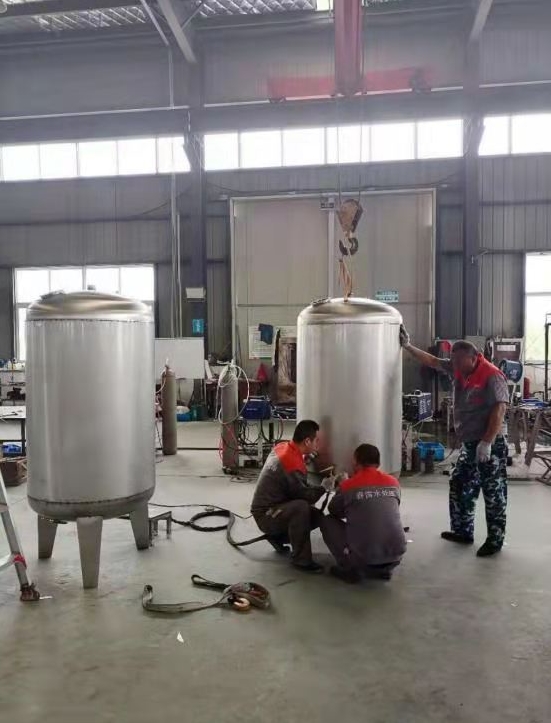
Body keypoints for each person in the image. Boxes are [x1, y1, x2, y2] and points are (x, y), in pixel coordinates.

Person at [400, 326, 509, 557]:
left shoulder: (492, 375)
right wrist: (408, 346)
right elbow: (432, 361)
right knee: (460, 483)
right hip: (469, 443)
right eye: (453, 360)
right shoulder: (458, 366)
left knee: (493, 491)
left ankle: (495, 540)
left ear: (474, 357)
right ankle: (462, 531)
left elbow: (499, 410)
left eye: (459, 361)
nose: (454, 365)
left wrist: (487, 442)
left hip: (490, 443)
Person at [320, 444, 407, 583]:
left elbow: (334, 510)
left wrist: (342, 486)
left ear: (355, 461)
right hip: (395, 556)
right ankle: (383, 569)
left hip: (363, 560)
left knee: (327, 521)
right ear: (378, 463)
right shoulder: (394, 482)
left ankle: (349, 567)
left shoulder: (348, 485)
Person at [250, 420, 325, 573]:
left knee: (317, 516)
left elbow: (290, 476)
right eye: (316, 440)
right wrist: (324, 487)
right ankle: (301, 560)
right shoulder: (291, 463)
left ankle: (277, 537)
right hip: (266, 515)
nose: (319, 444)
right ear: (307, 441)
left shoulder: (283, 446)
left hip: (274, 507)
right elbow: (306, 496)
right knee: (301, 508)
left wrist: (306, 458)